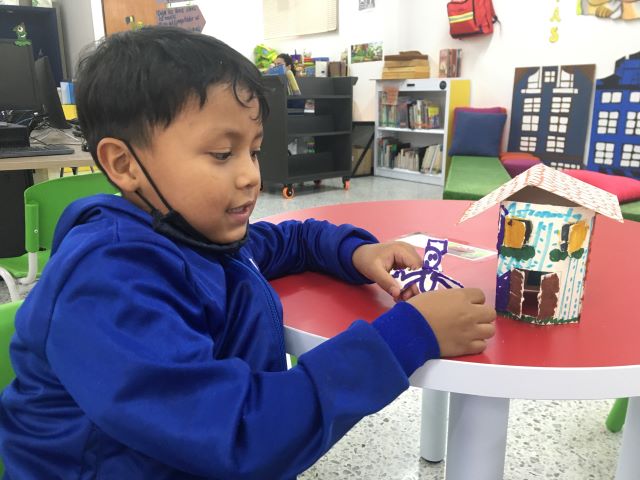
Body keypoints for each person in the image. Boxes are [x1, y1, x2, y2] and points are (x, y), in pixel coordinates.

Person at [0, 26, 495, 479]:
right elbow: (239, 435)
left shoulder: (194, 233)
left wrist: (357, 254)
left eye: (253, 150)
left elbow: (290, 240)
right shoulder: (107, 285)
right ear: (124, 164)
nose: (250, 175)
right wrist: (407, 336)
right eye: (222, 154)